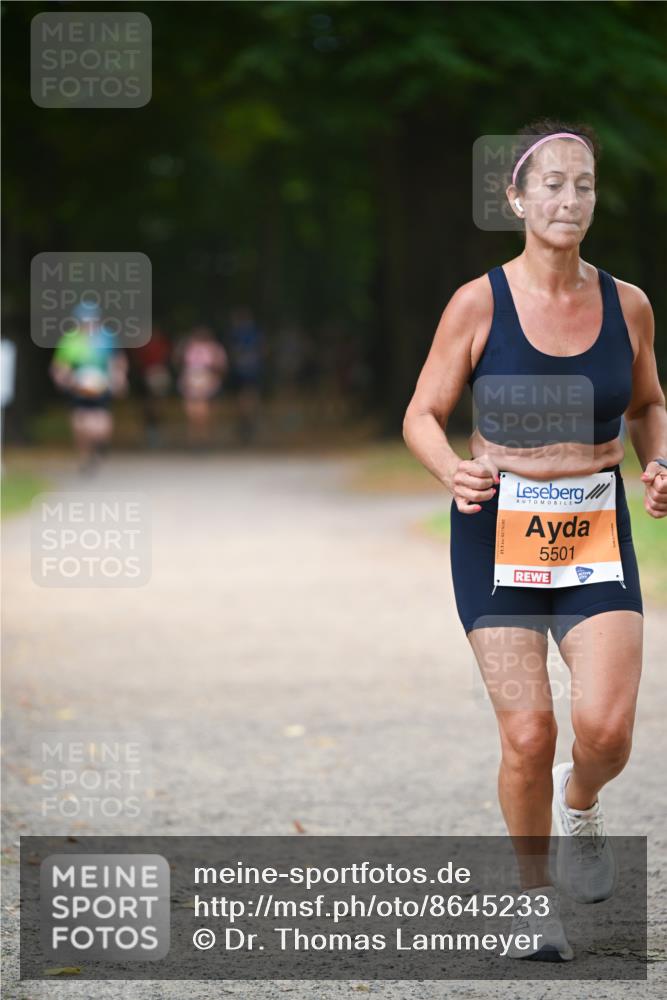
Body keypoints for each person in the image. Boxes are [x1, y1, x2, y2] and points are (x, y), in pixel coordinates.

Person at [403, 119, 667, 961]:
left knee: (606, 733)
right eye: (549, 183)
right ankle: (530, 902)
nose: (568, 198)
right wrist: (452, 470)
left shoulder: (627, 304)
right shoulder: (478, 302)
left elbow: (647, 405)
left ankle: (580, 803)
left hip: (593, 533)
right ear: (515, 197)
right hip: (497, 537)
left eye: (582, 183)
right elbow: (420, 415)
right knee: (527, 734)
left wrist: (658, 462)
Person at [50, 300, 128, 473]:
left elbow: (117, 360)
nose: (88, 324)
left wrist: (119, 379)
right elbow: (60, 364)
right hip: (78, 387)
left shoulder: (107, 337)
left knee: (100, 422)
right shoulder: (70, 339)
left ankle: (100, 444)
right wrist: (62, 378)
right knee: (79, 423)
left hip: (101, 386)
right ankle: (85, 458)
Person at [174, 325, 227, 447]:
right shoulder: (187, 346)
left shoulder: (215, 348)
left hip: (207, 381)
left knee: (204, 413)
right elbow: (179, 361)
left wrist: (212, 377)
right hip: (191, 380)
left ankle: (204, 439)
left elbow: (220, 366)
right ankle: (193, 440)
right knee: (192, 412)